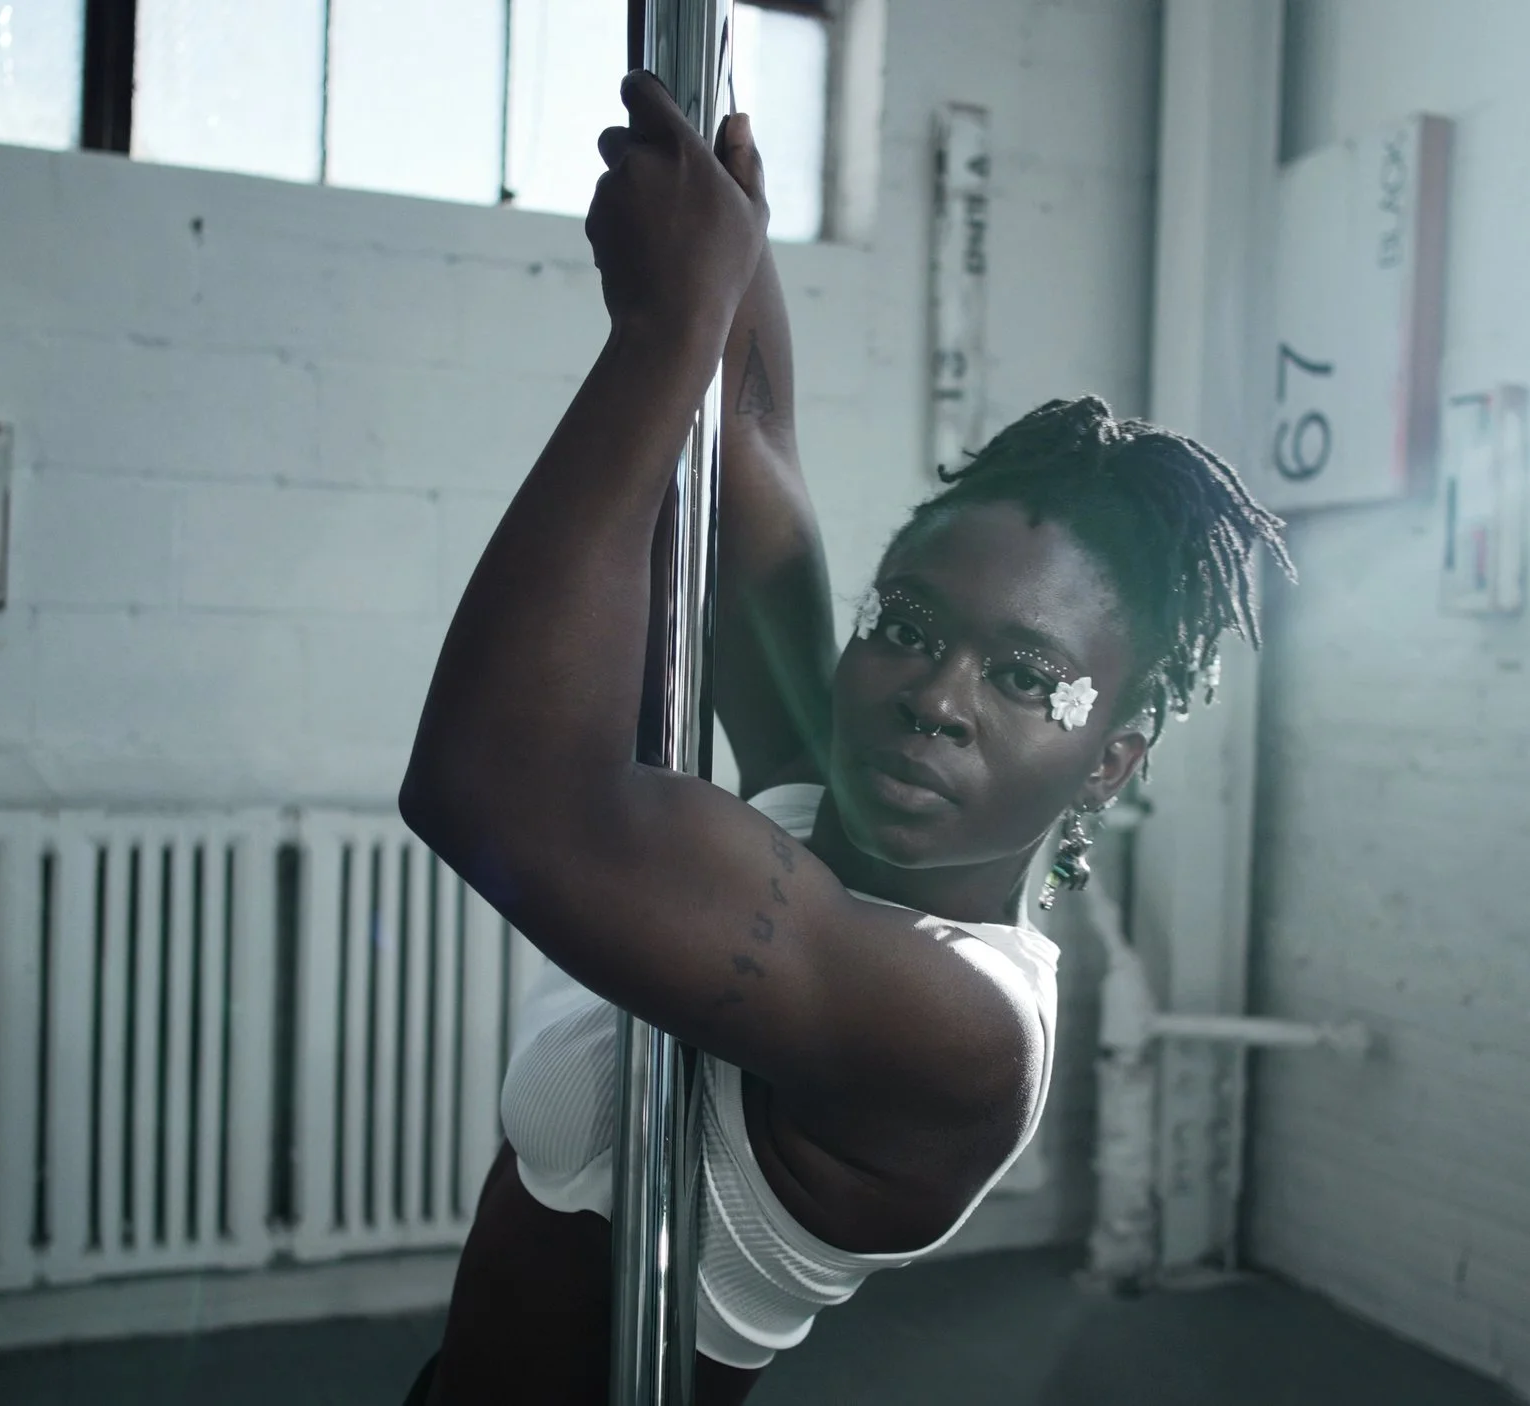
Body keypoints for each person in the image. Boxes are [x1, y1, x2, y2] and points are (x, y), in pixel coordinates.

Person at [397, 72, 1289, 1405]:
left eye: (1026, 674)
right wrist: (737, 223)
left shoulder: (967, 1027)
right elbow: (751, 428)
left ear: (1110, 759)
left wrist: (666, 325)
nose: (935, 693)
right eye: (911, 621)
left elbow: (492, 788)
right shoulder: (823, 797)